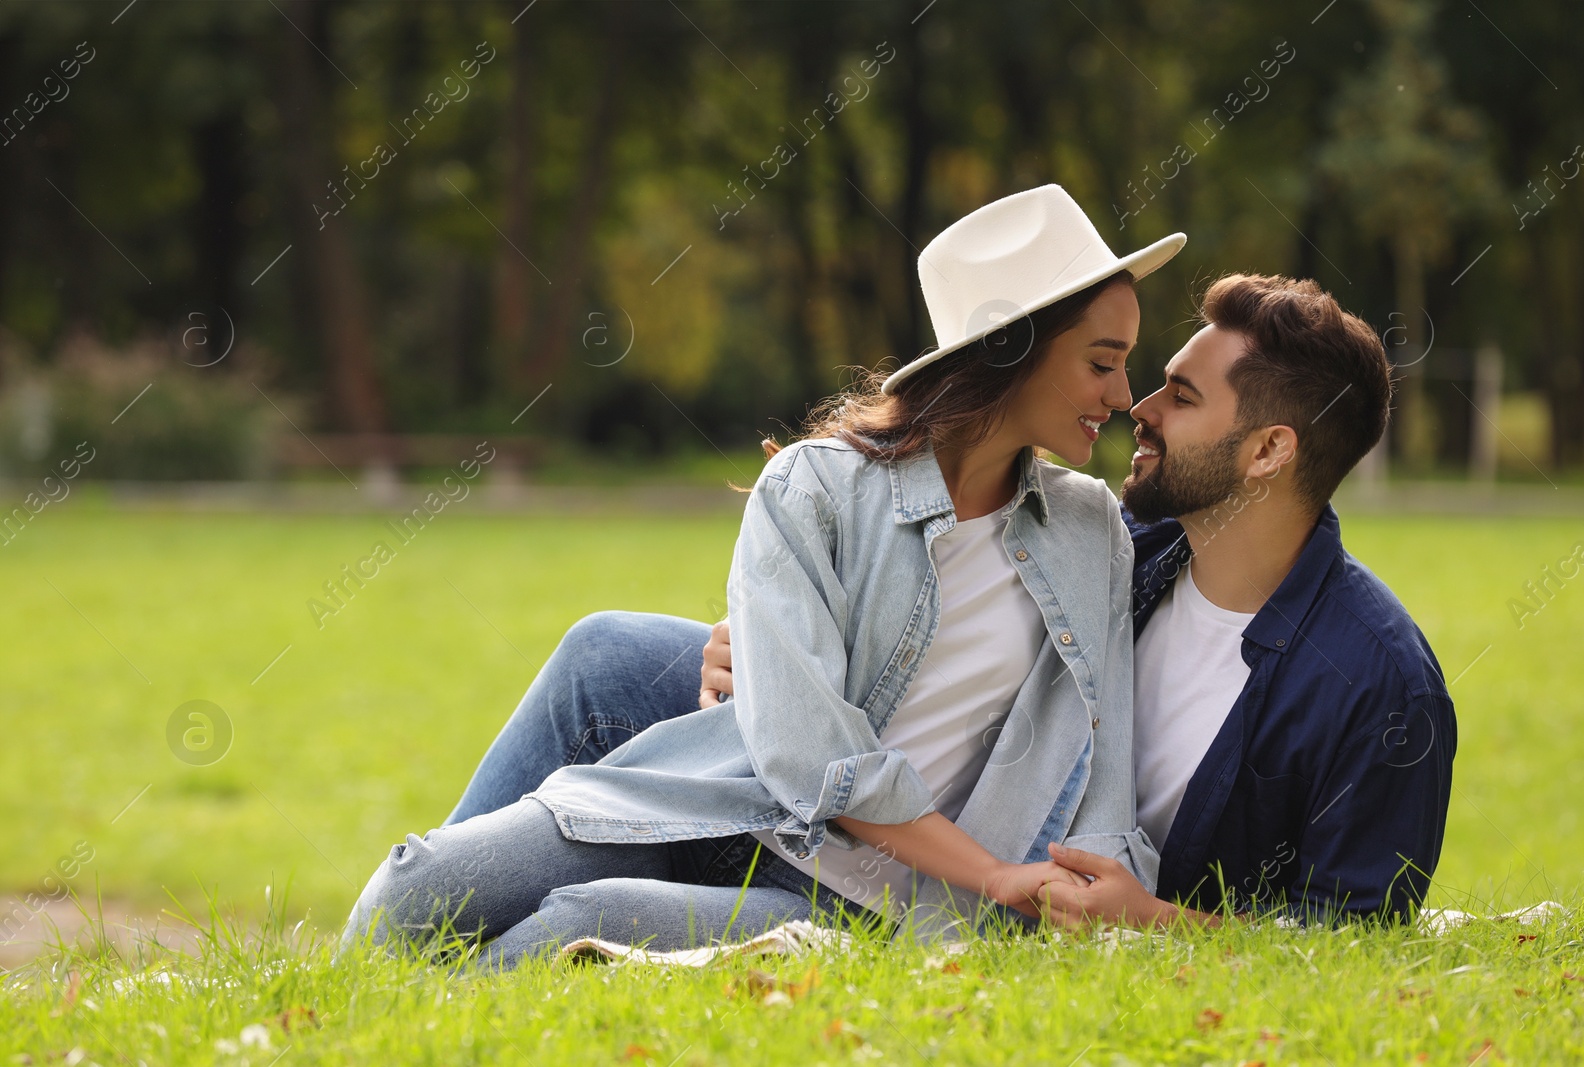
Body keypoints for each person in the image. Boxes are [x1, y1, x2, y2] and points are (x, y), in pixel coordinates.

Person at [342, 184, 1187, 967]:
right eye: (1102, 361)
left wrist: (1080, 886)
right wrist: (998, 874)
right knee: (417, 886)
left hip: (856, 902)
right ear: (1012, 350)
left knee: (574, 921)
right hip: (722, 803)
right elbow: (812, 754)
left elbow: (1101, 750)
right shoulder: (815, 485)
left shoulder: (1090, 529)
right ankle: (337, 1024)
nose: (1122, 394)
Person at [447, 273, 1456, 930]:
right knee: (607, 653)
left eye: (1177, 397)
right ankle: (432, 906)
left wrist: (1152, 919)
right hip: (898, 757)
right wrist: (758, 637)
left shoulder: (1377, 685)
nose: (1136, 406)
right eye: (1129, 374)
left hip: (976, 855)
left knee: (587, 901)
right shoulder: (1141, 538)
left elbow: (1354, 939)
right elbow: (945, 604)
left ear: (1270, 450)